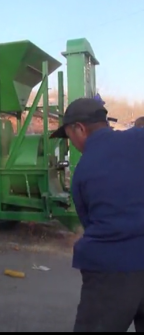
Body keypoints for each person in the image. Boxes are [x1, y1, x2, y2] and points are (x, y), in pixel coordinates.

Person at [50, 97, 144, 332]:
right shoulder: (139, 138)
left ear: (79, 128)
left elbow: (88, 221)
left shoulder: (84, 170)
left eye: (69, 137)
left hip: (111, 272)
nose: (72, 144)